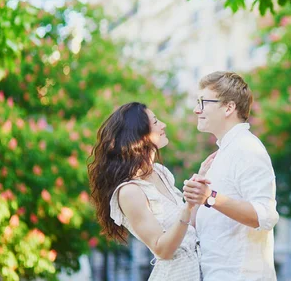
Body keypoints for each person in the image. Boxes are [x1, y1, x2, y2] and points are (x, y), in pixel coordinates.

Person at [87, 102, 215, 280]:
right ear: (139, 135)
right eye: (155, 122)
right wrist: (188, 207)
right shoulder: (130, 191)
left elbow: (189, 229)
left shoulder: (160, 173)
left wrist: (197, 190)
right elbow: (162, 249)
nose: (163, 125)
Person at [183, 71, 279, 281]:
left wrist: (210, 197)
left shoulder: (247, 148)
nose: (196, 109)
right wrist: (195, 201)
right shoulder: (220, 156)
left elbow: (265, 215)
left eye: (203, 102)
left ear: (229, 107)